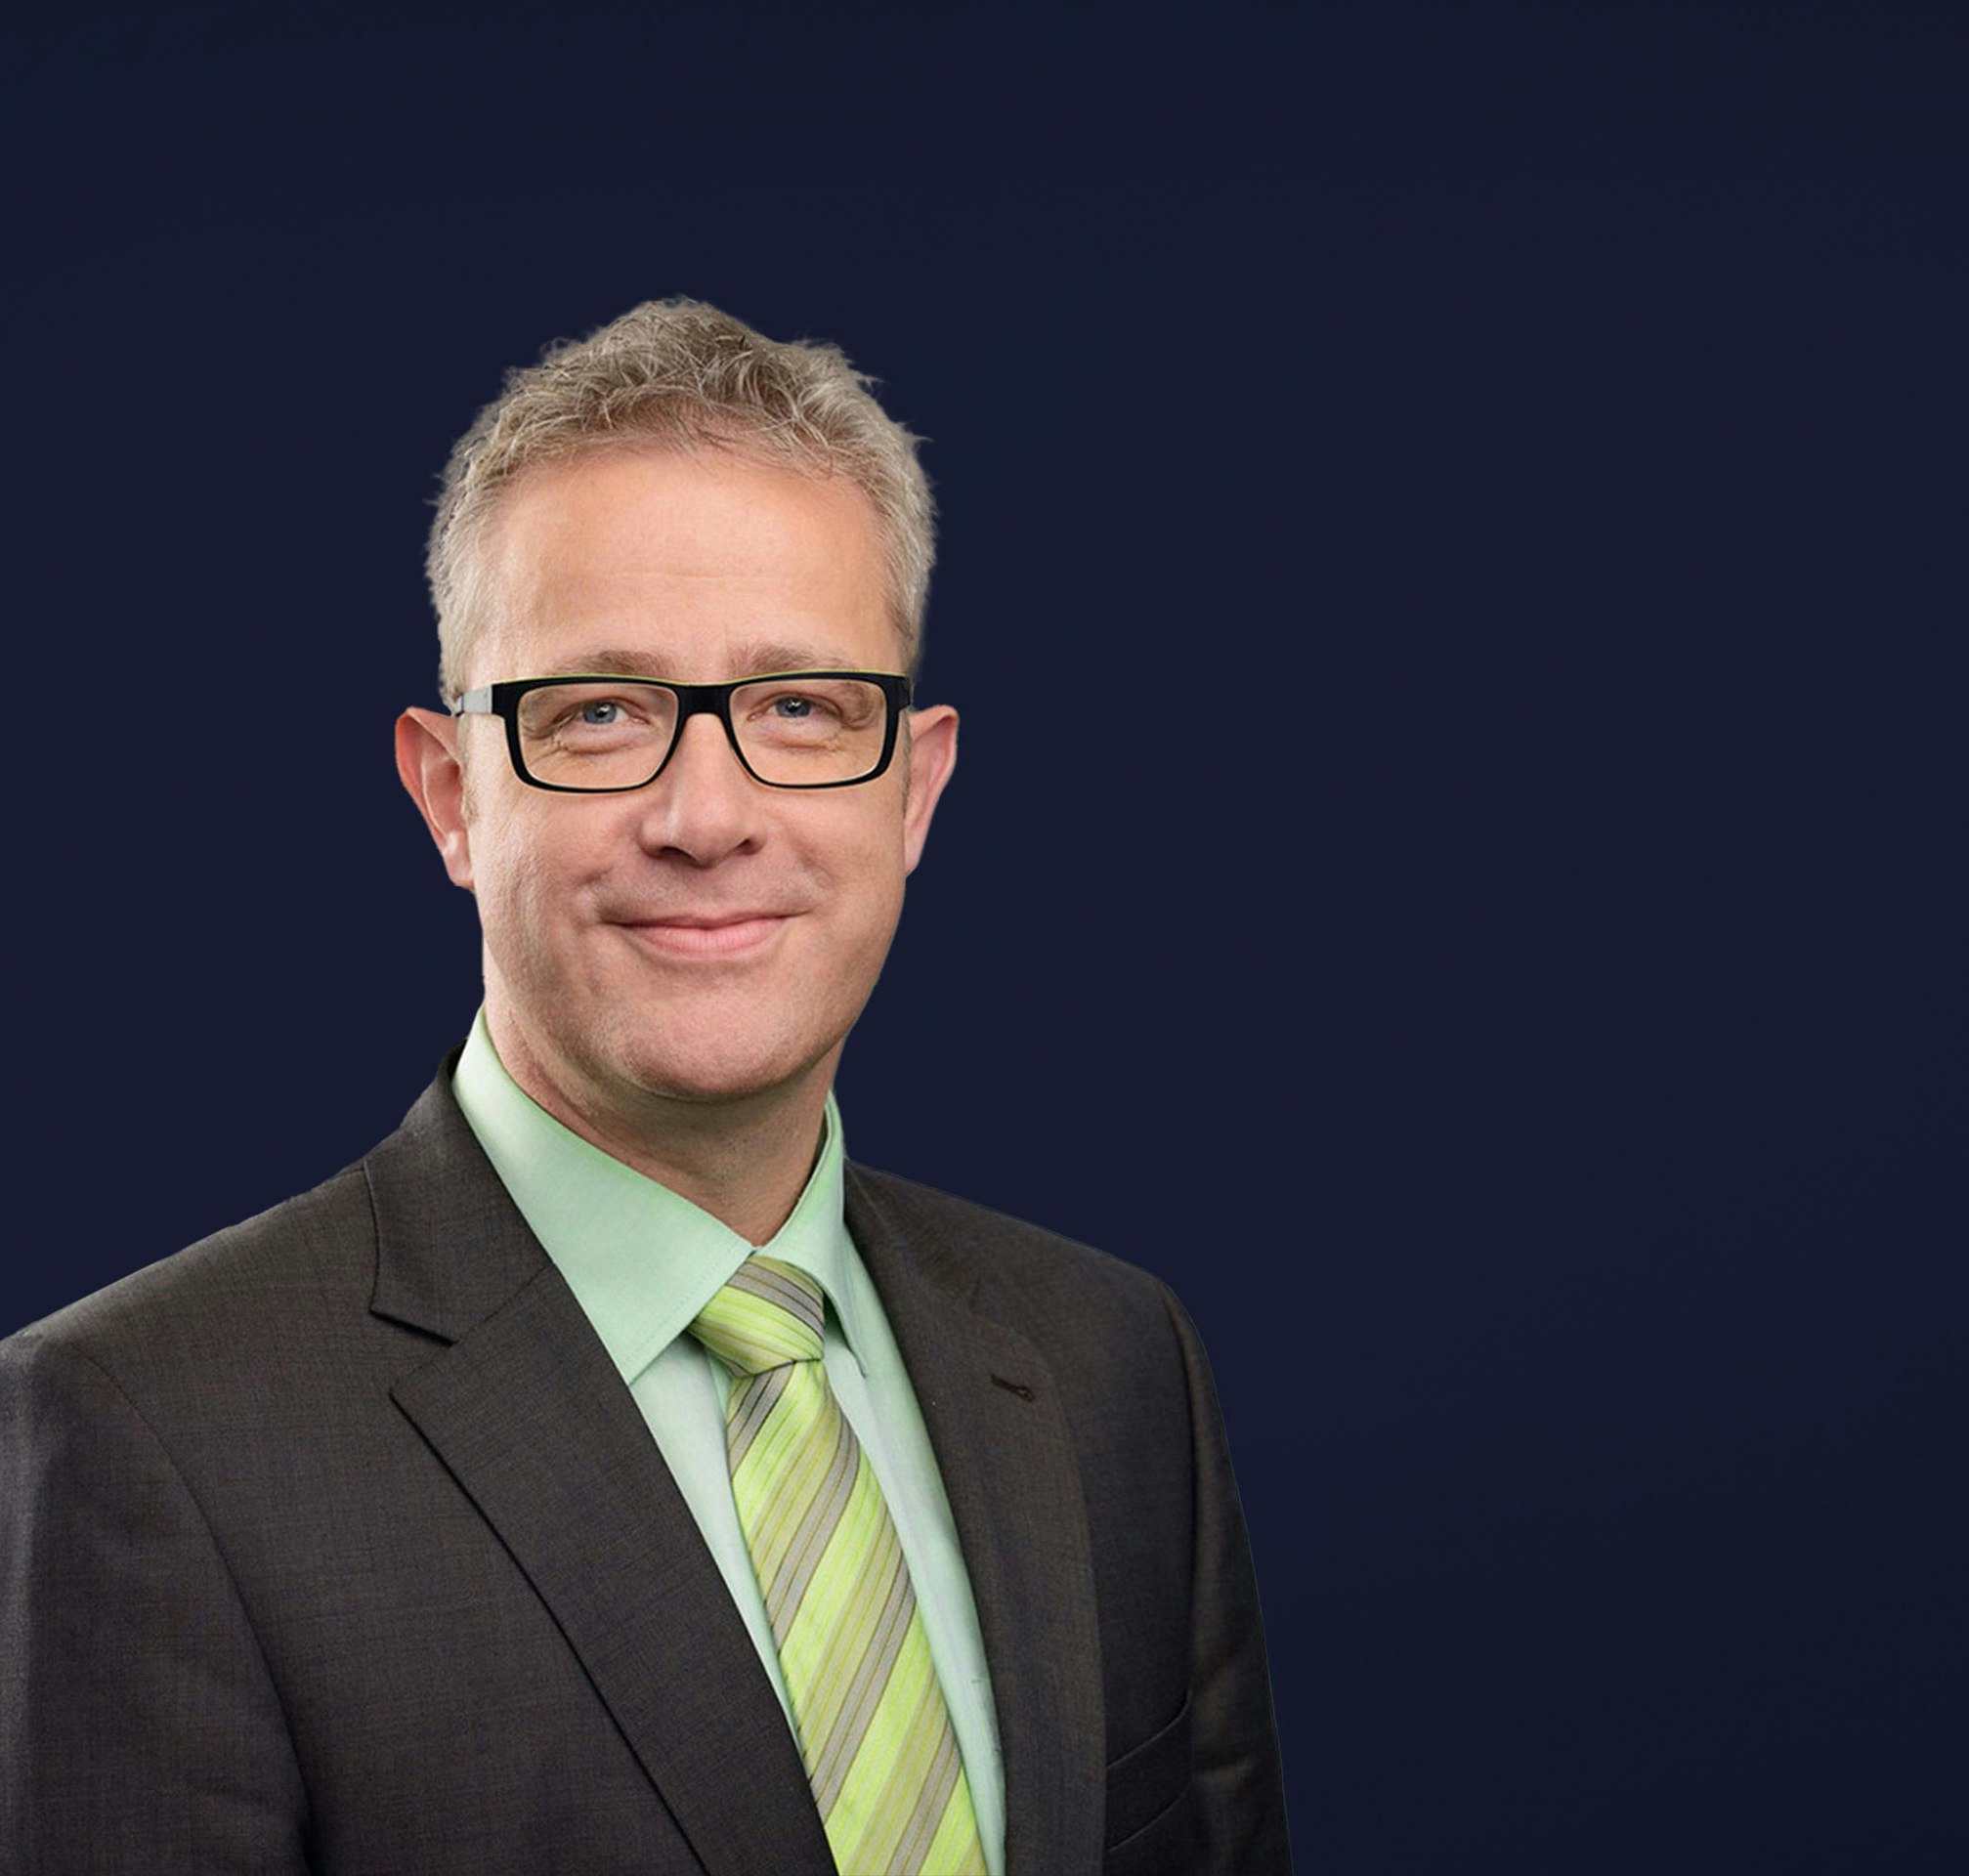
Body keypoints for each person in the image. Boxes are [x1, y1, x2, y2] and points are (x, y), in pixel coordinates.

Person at [0, 299, 1291, 1875]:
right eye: (600, 714)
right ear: (450, 795)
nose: (705, 814)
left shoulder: (1110, 1364)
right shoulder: (142, 1440)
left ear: (917, 789)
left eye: (801, 709)